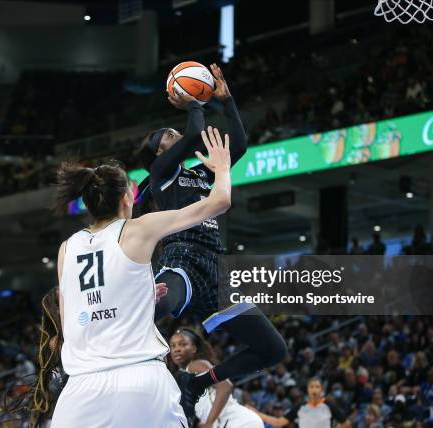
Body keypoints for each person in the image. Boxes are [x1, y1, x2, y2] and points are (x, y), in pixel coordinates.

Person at [49, 127, 232, 427]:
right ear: (126, 198)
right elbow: (219, 202)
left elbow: (76, 316)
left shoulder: (66, 249)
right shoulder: (138, 229)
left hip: (80, 390)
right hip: (140, 382)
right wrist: (222, 168)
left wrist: (140, 293)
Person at [135, 63, 287, 421]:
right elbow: (192, 135)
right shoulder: (162, 173)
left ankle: (197, 383)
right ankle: (84, 362)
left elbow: (241, 145)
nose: (175, 135)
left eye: (174, 132)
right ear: (159, 153)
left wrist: (227, 99)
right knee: (155, 306)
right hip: (181, 259)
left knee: (272, 348)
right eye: (167, 136)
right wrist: (193, 103)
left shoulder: (202, 172)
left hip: (217, 272)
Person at [170, 328, 263, 428]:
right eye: (173, 346)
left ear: (193, 348)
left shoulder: (195, 365)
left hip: (238, 422)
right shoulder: (182, 376)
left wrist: (209, 423)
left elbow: (225, 386)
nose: (177, 349)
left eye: (183, 344)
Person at [254, 377, 349, 428]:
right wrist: (257, 413)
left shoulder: (329, 405)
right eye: (312, 387)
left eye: (317, 387)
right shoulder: (301, 406)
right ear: (308, 390)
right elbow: (278, 422)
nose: (314, 390)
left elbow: (346, 423)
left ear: (321, 390)